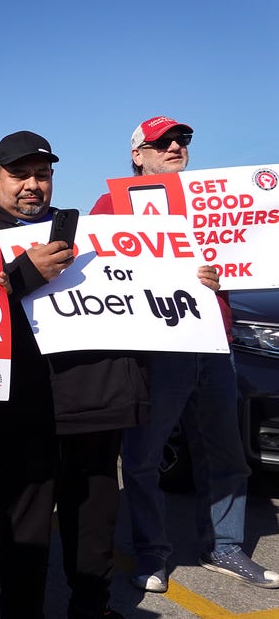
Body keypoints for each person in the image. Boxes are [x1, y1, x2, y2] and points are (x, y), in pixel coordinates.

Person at [0, 130, 148, 619]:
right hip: (25, 406)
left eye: (42, 175)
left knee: (94, 518)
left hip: (97, 398)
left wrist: (190, 281)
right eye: (19, 174)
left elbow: (142, 287)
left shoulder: (86, 230)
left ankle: (92, 607)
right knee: (25, 522)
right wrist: (21, 275)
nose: (32, 185)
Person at [93, 116, 279, 592]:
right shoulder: (113, 204)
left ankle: (224, 545)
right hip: (157, 349)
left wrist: (223, 272)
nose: (175, 147)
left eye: (182, 140)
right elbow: (99, 272)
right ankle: (152, 554)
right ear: (138, 154)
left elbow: (246, 256)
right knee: (143, 458)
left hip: (215, 345)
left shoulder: (212, 200)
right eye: (163, 142)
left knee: (226, 453)